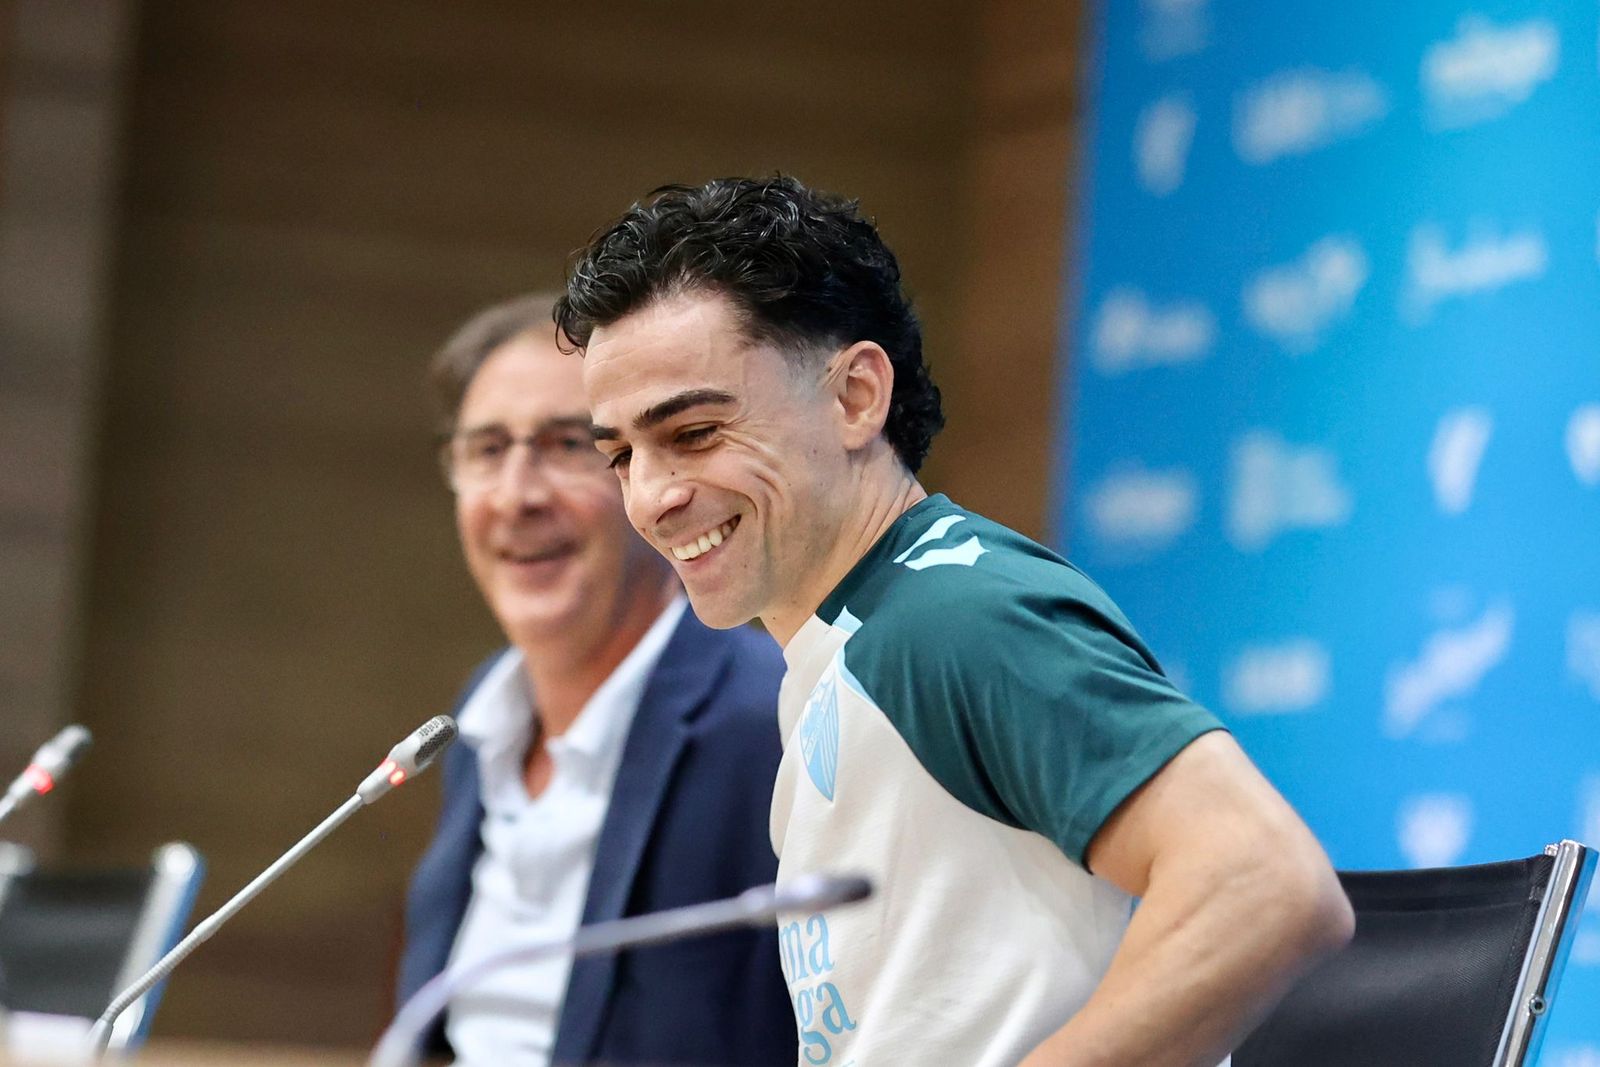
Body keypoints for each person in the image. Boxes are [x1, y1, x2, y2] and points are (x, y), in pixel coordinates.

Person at [557, 177, 1356, 1067]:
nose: (651, 497)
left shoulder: (953, 615)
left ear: (856, 396)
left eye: (696, 433)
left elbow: (1266, 882)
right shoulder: (851, 644)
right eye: (621, 455)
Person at [396, 294, 796, 1066]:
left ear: (650, 471)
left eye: (568, 445)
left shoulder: (771, 720)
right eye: (487, 450)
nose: (517, 495)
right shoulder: (479, 719)